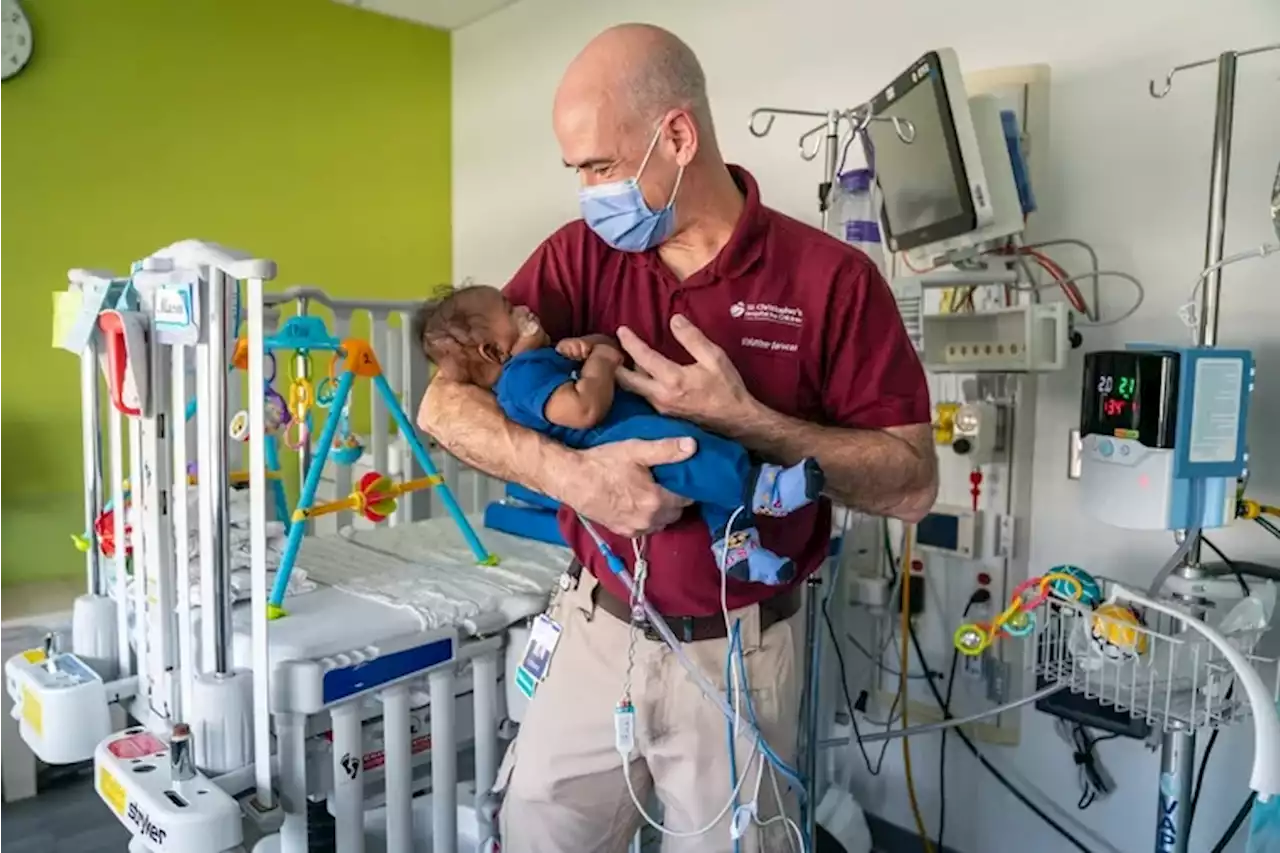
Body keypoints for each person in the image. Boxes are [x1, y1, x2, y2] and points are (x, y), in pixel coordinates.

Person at [418, 22, 937, 853]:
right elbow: (444, 406)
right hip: (596, 628)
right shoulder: (578, 258)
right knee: (535, 833)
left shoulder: (831, 281)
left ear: (678, 136)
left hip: (739, 655)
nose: (587, 192)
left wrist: (747, 420)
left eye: (600, 167)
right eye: (577, 172)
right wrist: (574, 478)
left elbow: (913, 482)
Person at [413, 284, 825, 585]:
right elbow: (583, 410)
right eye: (508, 309)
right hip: (617, 439)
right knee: (691, 451)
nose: (523, 306)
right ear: (493, 352)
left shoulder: (539, 359)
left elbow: (601, 354)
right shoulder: (521, 378)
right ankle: (762, 490)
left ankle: (737, 550)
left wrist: (589, 346)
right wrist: (602, 360)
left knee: (704, 469)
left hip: (630, 425)